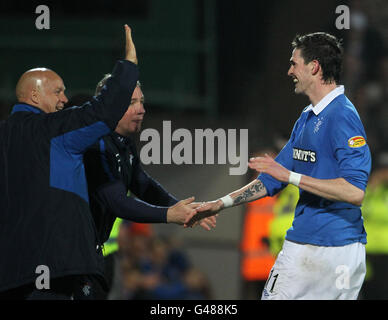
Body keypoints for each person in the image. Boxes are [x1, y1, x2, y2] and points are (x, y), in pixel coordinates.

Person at [0, 25, 197, 300]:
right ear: (35, 96)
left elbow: (141, 182)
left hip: (10, 274)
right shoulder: (54, 130)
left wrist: (176, 206)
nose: (65, 100)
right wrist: (129, 66)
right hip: (56, 270)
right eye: (58, 92)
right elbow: (103, 110)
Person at [188, 32, 372, 300]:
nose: (289, 71)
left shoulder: (342, 115)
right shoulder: (307, 118)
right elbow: (272, 179)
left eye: (294, 63)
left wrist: (292, 176)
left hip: (333, 250)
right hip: (313, 245)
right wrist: (219, 204)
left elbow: (354, 191)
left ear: (314, 67)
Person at [73, 76, 215, 299]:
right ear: (109, 105)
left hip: (94, 255)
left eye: (142, 101)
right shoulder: (95, 144)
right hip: (71, 258)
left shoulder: (123, 143)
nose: (141, 109)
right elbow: (117, 202)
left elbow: (142, 183)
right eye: (131, 103)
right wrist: (170, 214)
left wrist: (181, 206)